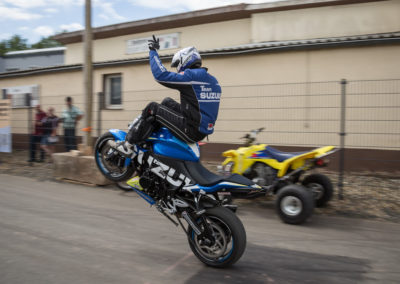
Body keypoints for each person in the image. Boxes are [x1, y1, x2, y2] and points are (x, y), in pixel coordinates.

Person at [114, 35, 222, 155]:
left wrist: (153, 51)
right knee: (167, 102)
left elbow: (160, 75)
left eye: (177, 65)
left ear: (185, 60)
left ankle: (128, 145)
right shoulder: (213, 80)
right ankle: (150, 133)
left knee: (152, 108)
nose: (178, 69)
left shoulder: (191, 76)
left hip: (191, 130)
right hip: (201, 128)